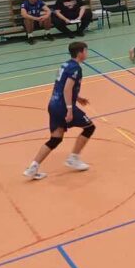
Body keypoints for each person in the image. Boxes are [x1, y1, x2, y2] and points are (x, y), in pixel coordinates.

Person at [23, 41, 95, 180]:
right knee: (89, 127)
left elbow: (61, 85)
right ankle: (73, 158)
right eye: (86, 51)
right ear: (80, 53)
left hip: (53, 104)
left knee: (55, 139)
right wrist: (69, 110)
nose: (87, 53)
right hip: (63, 106)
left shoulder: (65, 64)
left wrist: (78, 98)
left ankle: (33, 168)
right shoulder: (76, 68)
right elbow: (67, 89)